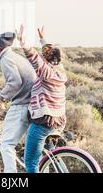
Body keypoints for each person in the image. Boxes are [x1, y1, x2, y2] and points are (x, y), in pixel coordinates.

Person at [16, 25, 67, 173]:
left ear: (46, 58)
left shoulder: (46, 72)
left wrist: (23, 41)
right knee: (48, 156)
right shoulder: (60, 70)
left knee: (31, 163)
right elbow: (51, 54)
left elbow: (34, 57)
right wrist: (43, 39)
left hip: (44, 121)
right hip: (59, 120)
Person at [0, 32, 37, 173]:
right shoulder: (15, 56)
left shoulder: (6, 59)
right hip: (32, 105)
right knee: (34, 151)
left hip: (22, 105)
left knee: (7, 144)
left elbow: (15, 82)